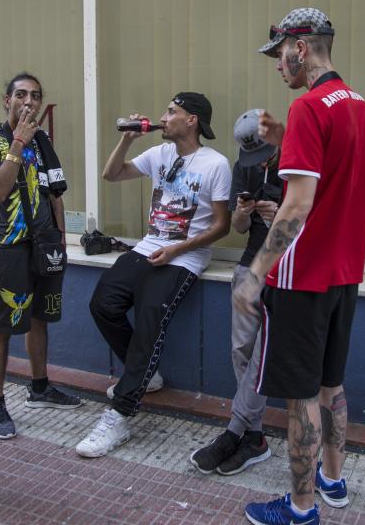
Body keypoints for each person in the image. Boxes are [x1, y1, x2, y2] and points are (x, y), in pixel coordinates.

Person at [235, 8, 365, 525]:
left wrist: (255, 273)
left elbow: (296, 205)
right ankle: (333, 482)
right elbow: (338, 176)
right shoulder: (357, 105)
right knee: (331, 386)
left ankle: (299, 509)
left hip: (302, 277)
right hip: (345, 272)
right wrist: (282, 144)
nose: (277, 65)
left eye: (279, 53)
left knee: (300, 399)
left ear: (301, 46)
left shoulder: (309, 108)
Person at [76, 92, 231, 458]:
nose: (163, 117)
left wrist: (179, 249)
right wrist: (126, 138)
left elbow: (223, 226)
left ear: (192, 120)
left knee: (149, 319)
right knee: (103, 304)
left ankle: (120, 415)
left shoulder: (215, 163)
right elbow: (111, 174)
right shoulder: (159, 154)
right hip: (149, 246)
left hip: (184, 257)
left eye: (171, 112)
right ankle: (145, 375)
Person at [0, 72, 82, 440]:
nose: (29, 101)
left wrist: (62, 240)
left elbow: (55, 193)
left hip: (46, 243)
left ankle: (39, 387)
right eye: (21, 94)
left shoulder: (44, 140)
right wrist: (18, 143)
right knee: (4, 325)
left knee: (40, 318)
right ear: (7, 100)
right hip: (12, 246)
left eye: (35, 95)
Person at [190, 109, 282, 476]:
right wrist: (244, 212)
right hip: (248, 266)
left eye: (265, 154)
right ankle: (255, 439)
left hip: (282, 270)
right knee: (240, 351)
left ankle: (233, 432)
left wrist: (281, 215)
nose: (261, 164)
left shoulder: (298, 165)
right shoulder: (244, 167)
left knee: (261, 358)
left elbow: (310, 228)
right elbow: (238, 228)